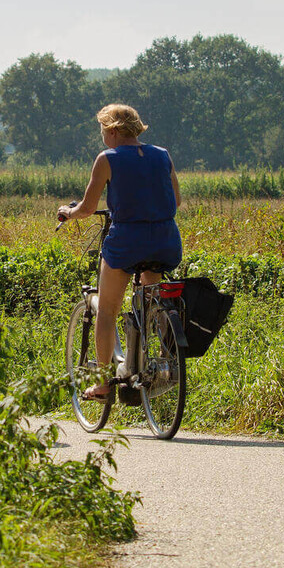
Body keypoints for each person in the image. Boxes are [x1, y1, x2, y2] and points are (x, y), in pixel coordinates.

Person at [56, 103, 182, 400]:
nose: (102, 135)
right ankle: (166, 356)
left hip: (127, 241)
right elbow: (175, 200)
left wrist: (68, 212)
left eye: (102, 129)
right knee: (153, 295)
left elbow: (87, 208)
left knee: (107, 311)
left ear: (112, 130)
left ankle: (101, 384)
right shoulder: (162, 154)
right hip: (165, 240)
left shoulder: (107, 158)